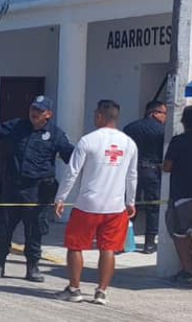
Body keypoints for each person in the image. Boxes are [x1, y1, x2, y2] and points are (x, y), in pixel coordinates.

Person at [0, 95, 75, 282]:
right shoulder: (17, 126)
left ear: (48, 114)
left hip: (38, 190)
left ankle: (33, 268)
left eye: (39, 110)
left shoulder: (56, 135)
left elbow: (71, 157)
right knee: (4, 228)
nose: (34, 113)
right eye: (33, 109)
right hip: (13, 187)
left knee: (35, 230)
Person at [54, 100, 138, 305]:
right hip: (116, 206)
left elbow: (72, 172)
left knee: (75, 246)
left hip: (88, 205)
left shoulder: (88, 140)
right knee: (108, 248)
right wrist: (131, 201)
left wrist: (61, 197)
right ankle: (101, 291)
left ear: (100, 116)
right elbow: (132, 175)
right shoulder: (128, 143)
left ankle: (74, 288)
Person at [163, 105, 192, 286]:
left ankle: (188, 271)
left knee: (181, 235)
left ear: (183, 122)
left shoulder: (178, 141)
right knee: (189, 234)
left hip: (183, 196)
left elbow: (167, 167)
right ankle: (189, 268)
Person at [123, 100, 168, 254]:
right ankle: (149, 243)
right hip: (152, 171)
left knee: (129, 204)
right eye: (164, 113)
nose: (165, 117)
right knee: (152, 206)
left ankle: (124, 239)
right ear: (154, 113)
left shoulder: (130, 128)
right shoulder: (162, 131)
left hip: (131, 171)